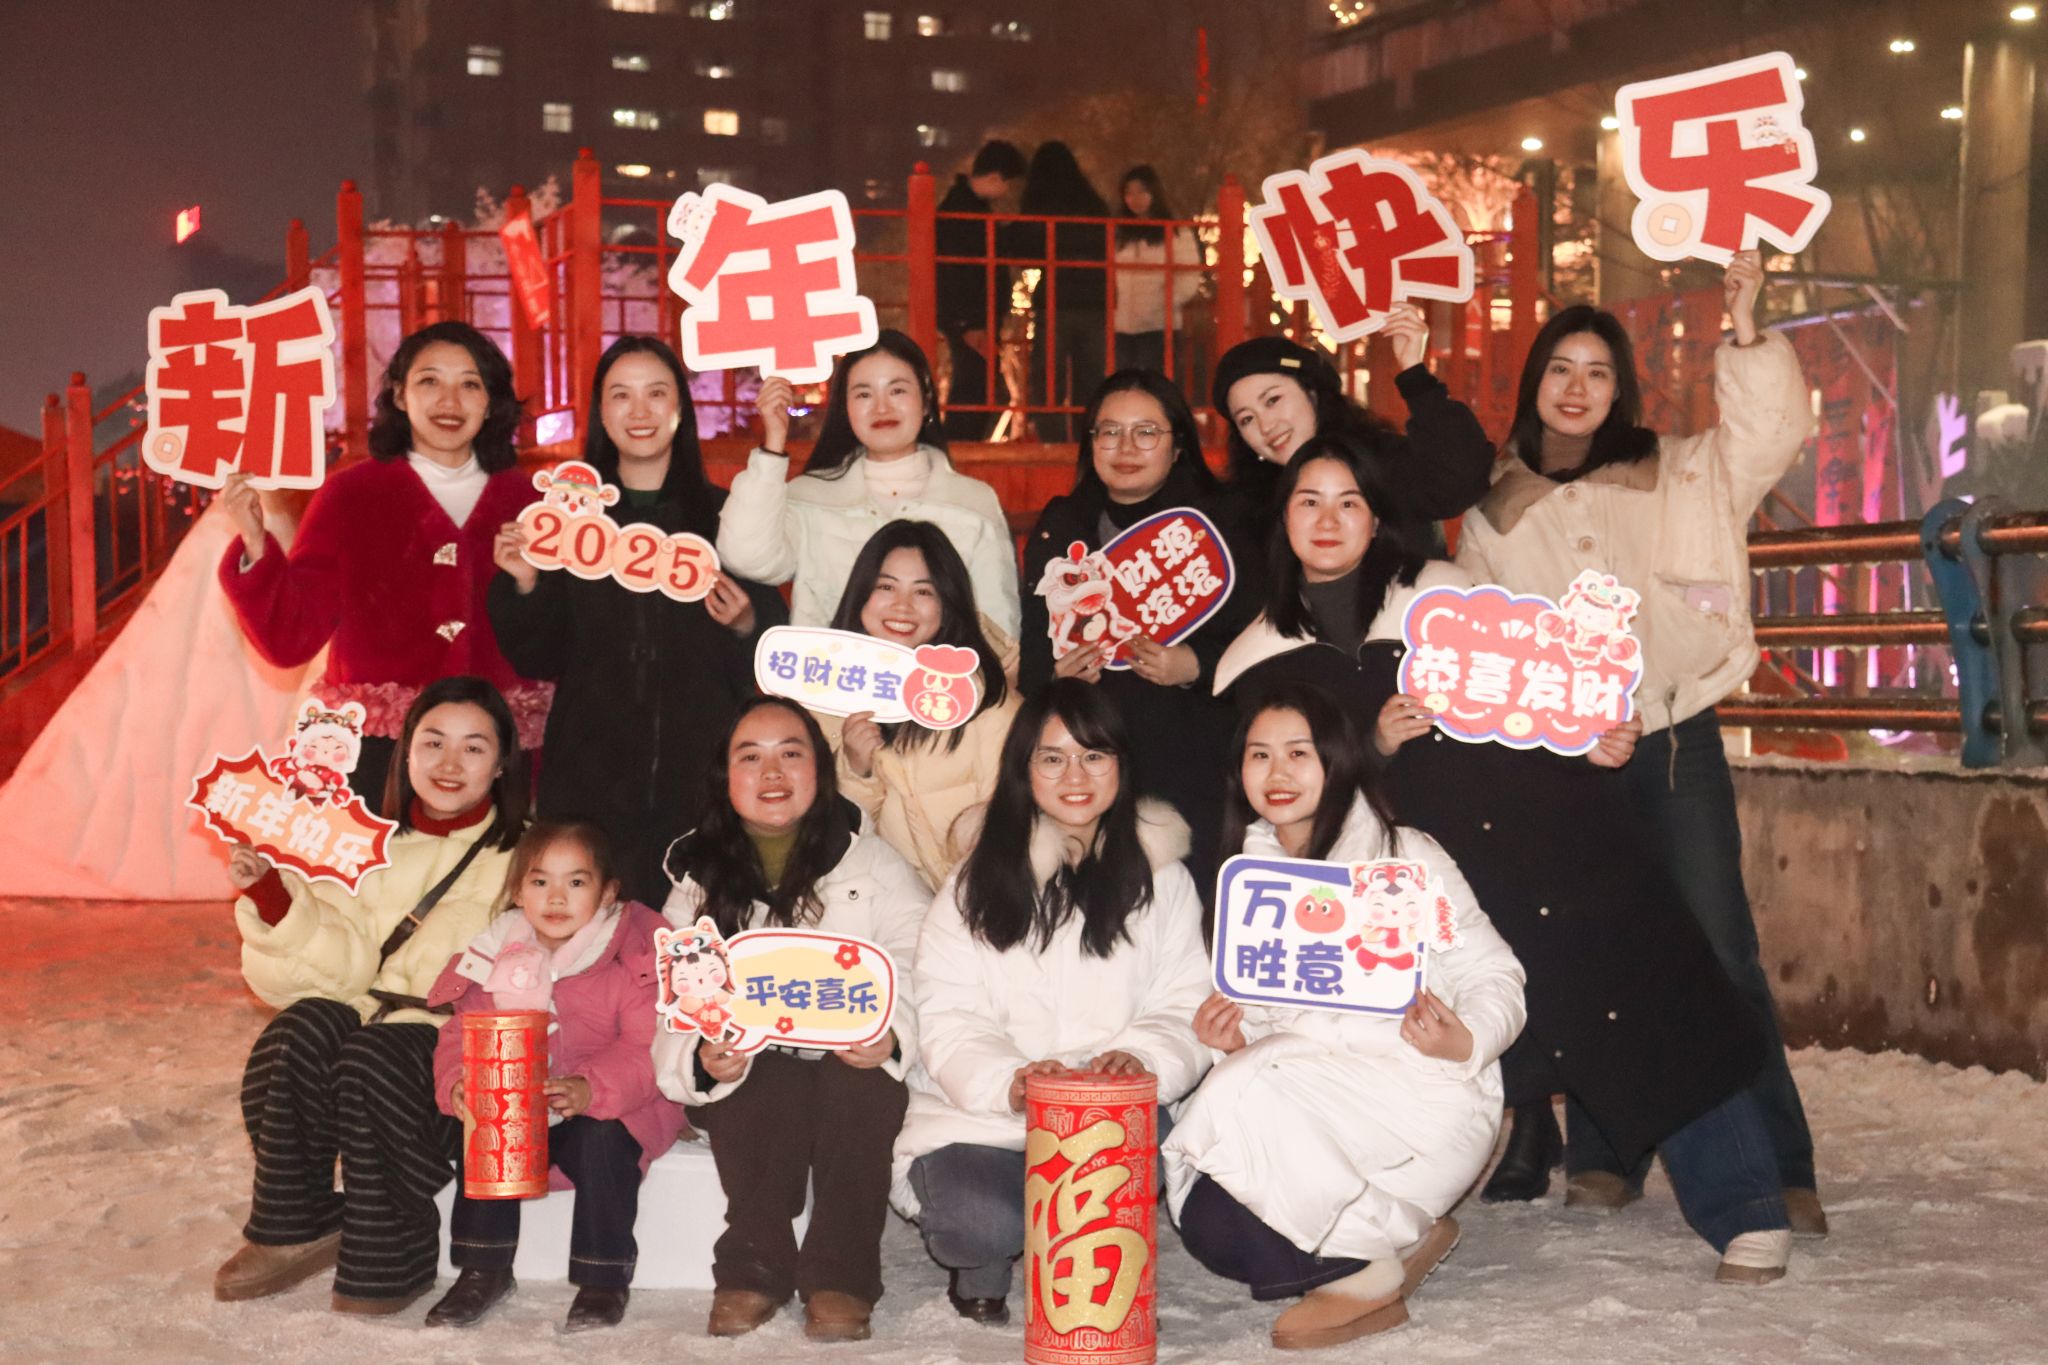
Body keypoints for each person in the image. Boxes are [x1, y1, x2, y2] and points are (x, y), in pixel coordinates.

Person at [1213, 435, 1796, 1283]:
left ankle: (1749, 1203)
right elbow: (1272, 786)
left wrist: (1593, 739)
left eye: (1349, 501)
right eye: (1309, 501)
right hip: (1426, 881)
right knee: (1431, 1030)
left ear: (1377, 518)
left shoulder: (1443, 594)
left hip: (1544, 829)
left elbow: (1537, 696)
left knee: (1647, 990)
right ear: (1284, 518)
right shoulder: (1256, 653)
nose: (1329, 519)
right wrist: (1373, 745)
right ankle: (1371, 1218)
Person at [1458, 250, 1825, 1234]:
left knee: (1719, 945)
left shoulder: (1683, 469)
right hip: (1562, 759)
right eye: (1560, 369)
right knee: (1596, 950)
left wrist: (1745, 329)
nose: (1577, 389)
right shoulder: (1493, 512)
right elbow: (1484, 644)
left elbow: (1770, 433)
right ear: (1534, 384)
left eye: (1597, 372)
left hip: (1672, 734)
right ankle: (1606, 1150)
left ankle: (1780, 1162)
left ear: (1619, 388)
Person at [1166, 682, 1526, 1347]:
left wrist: (1465, 1039)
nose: (1278, 773)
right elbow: (1264, 1021)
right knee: (1207, 1222)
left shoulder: (1406, 856)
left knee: (1238, 1105)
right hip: (1304, 1101)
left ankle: (1365, 1271)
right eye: (1260, 755)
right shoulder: (1248, 879)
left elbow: (1494, 973)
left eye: (1298, 753)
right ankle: (1396, 1235)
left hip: (1416, 1096)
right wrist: (1232, 1038)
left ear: (1337, 759)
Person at [893, 679, 1212, 1324]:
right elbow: (949, 1014)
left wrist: (1140, 1058)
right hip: (985, 1118)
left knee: (1101, 1185)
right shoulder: (973, 884)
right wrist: (1011, 1081)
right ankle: (983, 1262)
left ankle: (1090, 1267)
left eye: (1094, 755)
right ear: (1024, 769)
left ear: (1121, 764)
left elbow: (1186, 1001)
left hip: (1108, 1114)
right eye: (1052, 758)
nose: (1075, 776)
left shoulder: (1163, 877)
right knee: (983, 1223)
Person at [213, 676, 528, 1313]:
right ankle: (294, 1225)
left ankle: (395, 1248)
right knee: (297, 1031)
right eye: (432, 742)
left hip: (456, 1052)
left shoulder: (529, 855)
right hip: (371, 1019)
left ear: (501, 765)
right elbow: (334, 975)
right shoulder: (358, 841)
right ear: (404, 751)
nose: (448, 763)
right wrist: (275, 899)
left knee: (372, 1057)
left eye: (473, 748)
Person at [651, 697, 928, 1343]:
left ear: (820, 770)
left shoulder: (875, 863)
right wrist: (701, 1056)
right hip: (756, 1062)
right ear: (725, 777)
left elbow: (918, 962)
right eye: (750, 757)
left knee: (861, 1086)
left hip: (849, 1055)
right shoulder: (694, 878)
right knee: (757, 1084)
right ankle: (754, 1264)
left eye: (791, 753)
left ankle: (842, 1275)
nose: (772, 772)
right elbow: (673, 996)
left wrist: (892, 1034)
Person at [488, 336, 784, 905]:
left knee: (697, 925)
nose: (640, 411)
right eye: (621, 395)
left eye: (657, 393)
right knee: (590, 926)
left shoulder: (726, 515)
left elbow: (769, 653)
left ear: (681, 408)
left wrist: (746, 622)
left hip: (702, 770)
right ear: (601, 412)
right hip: (590, 770)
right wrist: (525, 583)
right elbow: (537, 657)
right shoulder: (568, 522)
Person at [219, 321, 550, 804]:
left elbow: (557, 640)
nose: (449, 401)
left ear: (492, 401)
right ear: (399, 394)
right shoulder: (350, 496)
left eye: (470, 384)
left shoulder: (533, 502)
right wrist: (255, 543)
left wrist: (529, 587)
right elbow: (291, 638)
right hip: (379, 756)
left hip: (499, 754)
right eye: (429, 381)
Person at [423, 819, 685, 1331]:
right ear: (518, 891)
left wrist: (590, 1087)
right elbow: (460, 1033)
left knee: (604, 1141)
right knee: (489, 1119)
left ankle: (603, 1277)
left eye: (576, 882)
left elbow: (647, 1047)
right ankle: (483, 1268)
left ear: (607, 893)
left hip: (614, 1105)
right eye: (540, 881)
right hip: (527, 1108)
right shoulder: (496, 953)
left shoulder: (630, 956)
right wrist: (459, 1081)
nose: (556, 897)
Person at [1019, 369, 1261, 902]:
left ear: (1178, 445)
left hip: (1191, 758)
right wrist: (1057, 676)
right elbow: (1033, 656)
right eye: (1109, 431)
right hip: (1086, 767)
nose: (1125, 447)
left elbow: (1264, 641)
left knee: (1188, 906)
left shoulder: (1223, 522)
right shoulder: (1063, 524)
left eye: (1146, 432)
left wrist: (1196, 666)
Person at [716, 329, 1020, 635]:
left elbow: (999, 627)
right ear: (845, 408)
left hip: (937, 668)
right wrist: (773, 444)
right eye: (863, 394)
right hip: (829, 666)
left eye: (897, 391)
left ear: (926, 402)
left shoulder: (972, 502)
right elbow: (746, 557)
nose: (881, 407)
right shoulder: (811, 495)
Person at [820, 519, 1020, 890]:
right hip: (889, 908)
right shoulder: (823, 698)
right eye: (886, 586)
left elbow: (1017, 822)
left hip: (981, 900)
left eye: (924, 591)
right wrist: (858, 771)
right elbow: (834, 845)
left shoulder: (986, 701)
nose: (902, 606)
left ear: (948, 602)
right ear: (861, 594)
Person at [1212, 322, 1493, 525]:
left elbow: (1459, 480)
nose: (1265, 426)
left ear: (1312, 393)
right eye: (1246, 419)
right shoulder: (1244, 512)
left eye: (1272, 400)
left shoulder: (1379, 465)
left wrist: (1414, 375)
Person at [1012, 141, 1110, 440]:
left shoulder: (1041, 204)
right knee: (1091, 378)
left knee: (1047, 378)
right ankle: (1089, 439)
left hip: (1057, 297)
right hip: (1094, 299)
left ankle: (1051, 439)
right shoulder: (1093, 203)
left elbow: (1027, 251)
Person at [937, 139, 1029, 440]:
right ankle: (958, 448)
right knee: (974, 387)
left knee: (976, 385)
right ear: (995, 178)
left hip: (971, 317)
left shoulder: (965, 206)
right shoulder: (963, 213)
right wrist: (969, 322)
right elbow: (960, 273)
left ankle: (958, 447)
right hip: (971, 318)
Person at [1111, 165, 1204, 379]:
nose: (1135, 199)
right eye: (1129, 193)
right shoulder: (1119, 233)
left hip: (1159, 324)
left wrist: (1168, 301)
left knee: (1155, 384)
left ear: (1154, 193)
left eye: (1141, 191)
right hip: (1121, 325)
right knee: (1123, 384)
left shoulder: (1176, 232)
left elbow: (1188, 275)